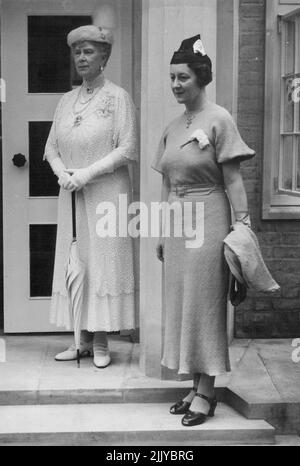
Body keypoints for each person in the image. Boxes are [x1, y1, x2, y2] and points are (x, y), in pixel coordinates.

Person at [152, 34, 255, 426]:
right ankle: (195, 385)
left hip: (209, 215)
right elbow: (165, 180)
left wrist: (241, 225)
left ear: (201, 77)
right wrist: (162, 228)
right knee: (184, 303)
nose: (176, 85)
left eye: (183, 77)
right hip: (178, 222)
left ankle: (208, 391)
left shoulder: (219, 119)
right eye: (172, 78)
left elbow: (233, 181)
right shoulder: (175, 125)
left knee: (205, 303)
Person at [43, 24, 138, 368]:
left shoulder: (117, 98)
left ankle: (100, 342)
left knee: (101, 262)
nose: (81, 58)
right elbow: (51, 146)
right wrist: (62, 173)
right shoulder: (67, 100)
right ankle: (79, 339)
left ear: (105, 56)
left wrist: (86, 173)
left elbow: (127, 148)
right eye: (77, 52)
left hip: (106, 194)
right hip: (71, 193)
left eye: (89, 51)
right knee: (75, 261)